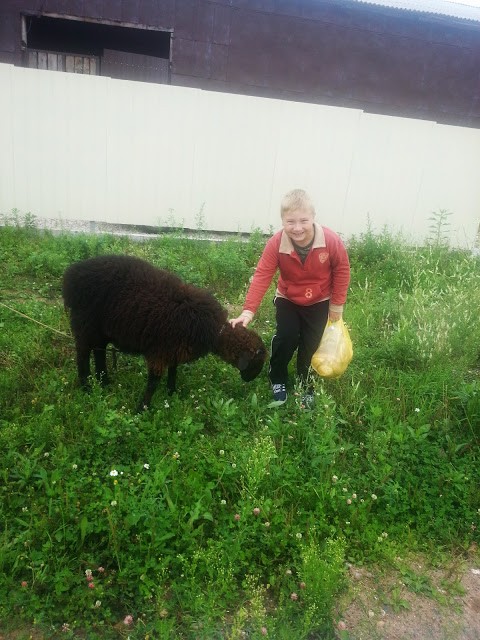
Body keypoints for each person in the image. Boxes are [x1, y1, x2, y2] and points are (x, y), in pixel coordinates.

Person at [230, 188, 350, 407]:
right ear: (282, 221)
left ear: (313, 217)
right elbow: (262, 275)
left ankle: (306, 383)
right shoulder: (276, 243)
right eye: (290, 221)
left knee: (311, 344)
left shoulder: (331, 240)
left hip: (320, 301)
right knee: (286, 337)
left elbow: (342, 270)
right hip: (288, 298)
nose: (297, 228)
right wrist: (248, 311)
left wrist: (337, 305)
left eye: (304, 220)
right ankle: (277, 377)